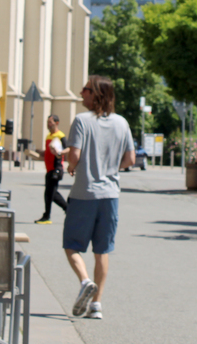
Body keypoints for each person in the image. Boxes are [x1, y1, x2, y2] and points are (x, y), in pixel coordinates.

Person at [62, 75, 136, 320]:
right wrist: (110, 168)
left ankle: (84, 281)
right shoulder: (122, 123)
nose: (82, 93)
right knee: (102, 250)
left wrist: (73, 166)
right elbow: (130, 160)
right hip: (110, 195)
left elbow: (74, 155)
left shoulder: (82, 121)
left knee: (72, 246)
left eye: (86, 90)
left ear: (97, 95)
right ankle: (96, 305)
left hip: (84, 193)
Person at [35, 114, 69, 224]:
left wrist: (60, 153)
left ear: (57, 123)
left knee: (51, 193)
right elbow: (49, 153)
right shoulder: (48, 136)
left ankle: (50, 215)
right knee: (50, 193)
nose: (48, 124)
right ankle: (62, 211)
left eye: (50, 122)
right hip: (49, 168)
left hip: (56, 168)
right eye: (48, 122)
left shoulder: (60, 135)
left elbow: (68, 148)